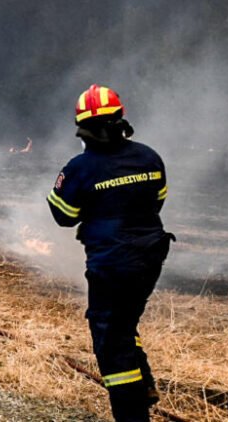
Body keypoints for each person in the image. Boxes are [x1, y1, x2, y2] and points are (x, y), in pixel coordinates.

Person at [46, 84, 174, 422]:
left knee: (110, 339)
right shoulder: (149, 157)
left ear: (83, 129)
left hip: (112, 265)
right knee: (124, 321)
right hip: (151, 257)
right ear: (121, 120)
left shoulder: (80, 168)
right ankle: (144, 382)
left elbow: (63, 215)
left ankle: (133, 413)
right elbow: (157, 200)